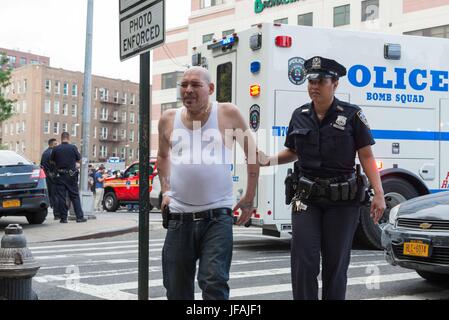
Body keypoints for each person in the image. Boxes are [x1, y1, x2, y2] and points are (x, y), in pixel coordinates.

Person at [261, 57, 386, 300]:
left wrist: (379, 193)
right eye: (310, 81)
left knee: (335, 264)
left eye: (320, 81)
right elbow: (293, 151)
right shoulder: (300, 115)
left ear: (335, 84)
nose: (314, 86)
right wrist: (269, 160)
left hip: (343, 201)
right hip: (306, 199)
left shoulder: (351, 115)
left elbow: (366, 155)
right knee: (303, 261)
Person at [158, 66, 260, 300]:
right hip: (178, 218)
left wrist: (249, 197)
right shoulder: (168, 119)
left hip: (217, 217)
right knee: (175, 286)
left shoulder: (227, 113)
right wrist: (165, 191)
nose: (188, 90)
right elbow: (163, 157)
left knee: (213, 280)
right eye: (184, 85)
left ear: (211, 88)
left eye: (195, 85)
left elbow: (252, 153)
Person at [50, 132, 87, 223]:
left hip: (60, 175)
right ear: (68, 138)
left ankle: (63, 218)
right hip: (71, 175)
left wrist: (58, 164)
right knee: (74, 196)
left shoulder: (56, 149)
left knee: (61, 197)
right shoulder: (73, 148)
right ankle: (79, 217)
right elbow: (79, 160)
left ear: (61, 138)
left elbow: (51, 161)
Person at [40, 138, 60, 220]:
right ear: (51, 144)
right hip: (53, 177)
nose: (57, 145)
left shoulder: (44, 153)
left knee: (46, 196)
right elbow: (56, 165)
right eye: (56, 144)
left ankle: (43, 215)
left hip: (46, 177)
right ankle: (57, 214)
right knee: (55, 196)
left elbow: (41, 165)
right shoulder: (53, 153)